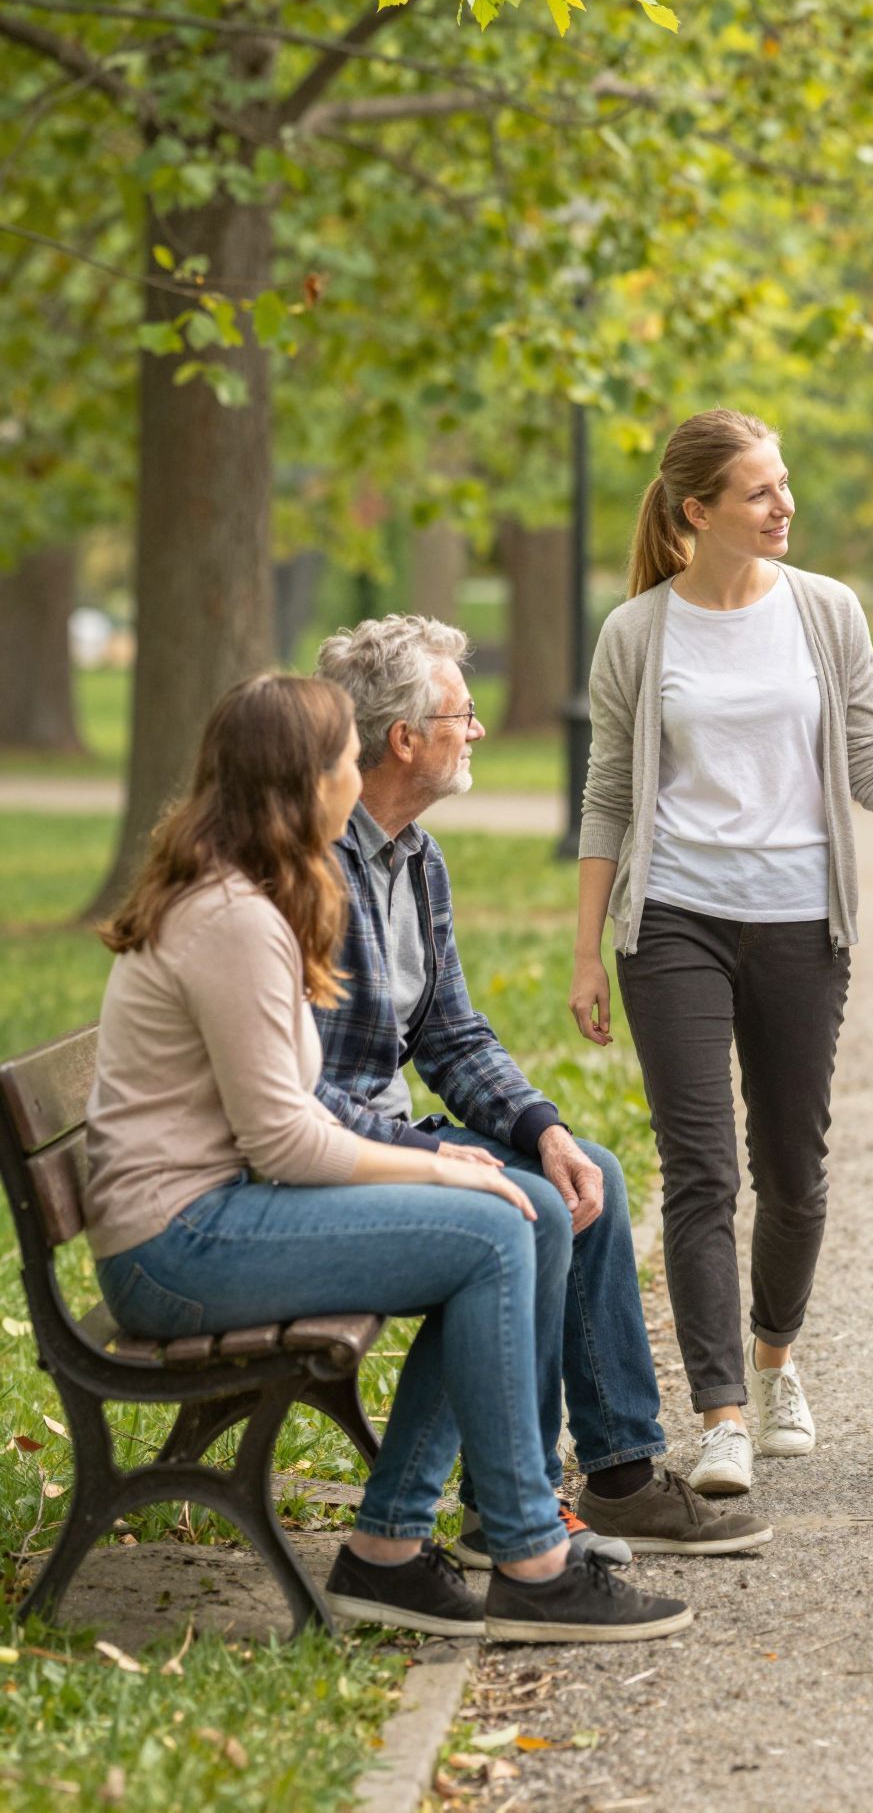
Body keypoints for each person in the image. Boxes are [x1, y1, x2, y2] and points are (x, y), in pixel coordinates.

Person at [85, 672, 692, 1644]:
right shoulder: (233, 915)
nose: (352, 772)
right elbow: (284, 1132)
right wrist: (444, 1168)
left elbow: (316, 1105)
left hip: (213, 1213)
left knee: (511, 1211)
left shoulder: (261, 893)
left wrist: (479, 1158)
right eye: (339, 758)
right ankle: (527, 1559)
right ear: (303, 778)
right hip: (177, 1242)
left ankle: (393, 1549)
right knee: (498, 1223)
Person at [571, 408, 873, 1497]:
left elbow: (870, 761)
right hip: (673, 917)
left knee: (795, 1174)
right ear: (699, 513)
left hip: (798, 921)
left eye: (784, 485)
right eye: (760, 492)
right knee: (700, 1168)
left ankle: (776, 1358)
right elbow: (608, 794)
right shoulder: (637, 632)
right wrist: (587, 950)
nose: (785, 506)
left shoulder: (825, 611)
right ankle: (721, 1411)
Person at [313, 616, 769, 1561]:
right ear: (406, 739)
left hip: (377, 1140)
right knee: (532, 1210)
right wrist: (444, 1155)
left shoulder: (414, 859)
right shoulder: (319, 869)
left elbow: (450, 1033)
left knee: (581, 1172)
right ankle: (505, 1504)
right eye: (462, 715)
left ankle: (620, 1475)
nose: (476, 731)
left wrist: (541, 1128)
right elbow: (310, 1096)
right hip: (333, 1155)